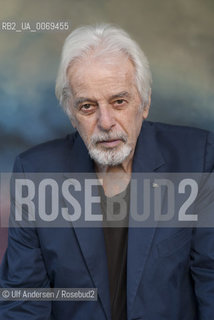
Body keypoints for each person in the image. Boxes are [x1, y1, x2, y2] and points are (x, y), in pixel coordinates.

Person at [0, 24, 214, 320]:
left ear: (145, 102)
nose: (106, 121)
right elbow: (24, 301)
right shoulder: (35, 173)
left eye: (119, 101)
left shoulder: (198, 158)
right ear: (72, 116)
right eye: (88, 106)